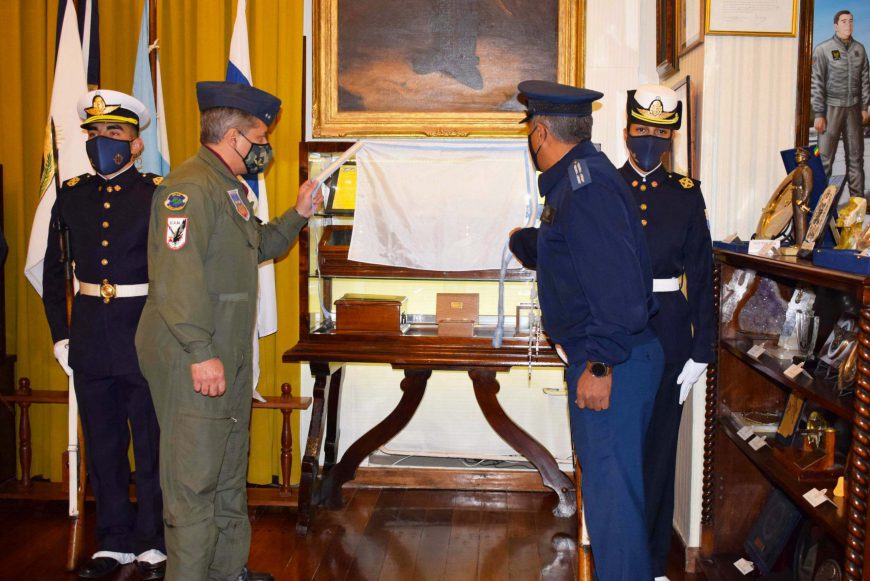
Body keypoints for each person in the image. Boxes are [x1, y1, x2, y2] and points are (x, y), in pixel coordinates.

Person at [134, 81, 322, 581]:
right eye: (260, 136)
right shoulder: (188, 189)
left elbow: (257, 246)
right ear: (236, 136)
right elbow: (177, 279)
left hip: (223, 348)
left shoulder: (227, 188)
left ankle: (225, 570)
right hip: (192, 351)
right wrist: (200, 352)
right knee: (194, 481)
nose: (264, 147)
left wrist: (299, 214)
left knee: (225, 470)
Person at [508, 80, 664, 580]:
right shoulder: (580, 179)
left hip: (611, 360)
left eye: (530, 131)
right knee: (609, 500)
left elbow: (617, 292)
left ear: (540, 132)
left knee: (612, 509)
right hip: (614, 353)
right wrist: (529, 243)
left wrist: (598, 363)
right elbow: (580, 251)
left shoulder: (585, 187)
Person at [42, 90, 166, 580]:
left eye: (114, 133)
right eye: (94, 133)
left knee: (151, 441)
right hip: (91, 331)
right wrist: (60, 333)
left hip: (144, 329)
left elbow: (173, 272)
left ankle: (152, 541)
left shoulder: (158, 193)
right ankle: (113, 540)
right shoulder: (71, 194)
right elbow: (55, 272)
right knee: (103, 440)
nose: (102, 142)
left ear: (136, 144)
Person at [618, 85, 715, 581]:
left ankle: (652, 563)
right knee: (618, 448)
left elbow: (701, 274)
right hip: (617, 331)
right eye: (642, 130)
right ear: (627, 130)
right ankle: (618, 551)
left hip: (671, 332)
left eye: (661, 133)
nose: (650, 140)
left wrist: (703, 349)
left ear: (671, 138)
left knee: (659, 451)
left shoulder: (686, 193)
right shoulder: (605, 187)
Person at [811, 9, 870, 198]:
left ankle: (857, 208)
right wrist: (819, 113)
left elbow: (865, 80)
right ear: (836, 25)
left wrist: (864, 107)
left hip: (853, 110)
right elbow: (817, 82)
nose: (849, 25)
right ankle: (819, 209)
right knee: (824, 160)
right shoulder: (823, 50)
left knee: (855, 160)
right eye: (844, 21)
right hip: (831, 110)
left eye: (851, 21)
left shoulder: (859, 50)